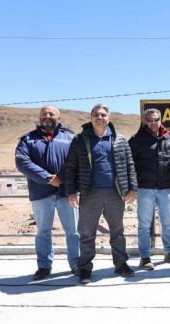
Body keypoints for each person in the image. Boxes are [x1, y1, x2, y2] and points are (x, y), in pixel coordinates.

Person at [65, 104, 137, 284]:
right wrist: (71, 192)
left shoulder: (120, 139)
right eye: (96, 114)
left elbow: (130, 166)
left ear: (109, 118)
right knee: (87, 233)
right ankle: (85, 269)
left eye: (103, 115)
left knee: (118, 232)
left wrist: (132, 188)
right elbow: (71, 167)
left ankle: (121, 265)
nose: (100, 117)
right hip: (90, 194)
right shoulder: (80, 140)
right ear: (90, 118)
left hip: (115, 193)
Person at [15, 105, 80, 280]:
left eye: (51, 113)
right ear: (40, 117)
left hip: (67, 192)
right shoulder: (28, 139)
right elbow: (22, 162)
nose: (47, 116)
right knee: (43, 231)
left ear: (58, 116)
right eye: (44, 113)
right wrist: (47, 177)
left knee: (73, 231)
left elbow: (76, 161)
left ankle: (76, 263)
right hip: (41, 192)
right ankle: (44, 266)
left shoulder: (69, 138)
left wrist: (61, 177)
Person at [129, 108, 170, 271]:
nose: (153, 123)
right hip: (145, 188)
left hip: (165, 188)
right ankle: (145, 257)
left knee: (167, 223)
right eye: (150, 120)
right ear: (145, 121)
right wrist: (133, 186)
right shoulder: (137, 139)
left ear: (161, 120)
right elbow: (130, 164)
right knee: (144, 224)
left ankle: (169, 252)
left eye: (156, 119)